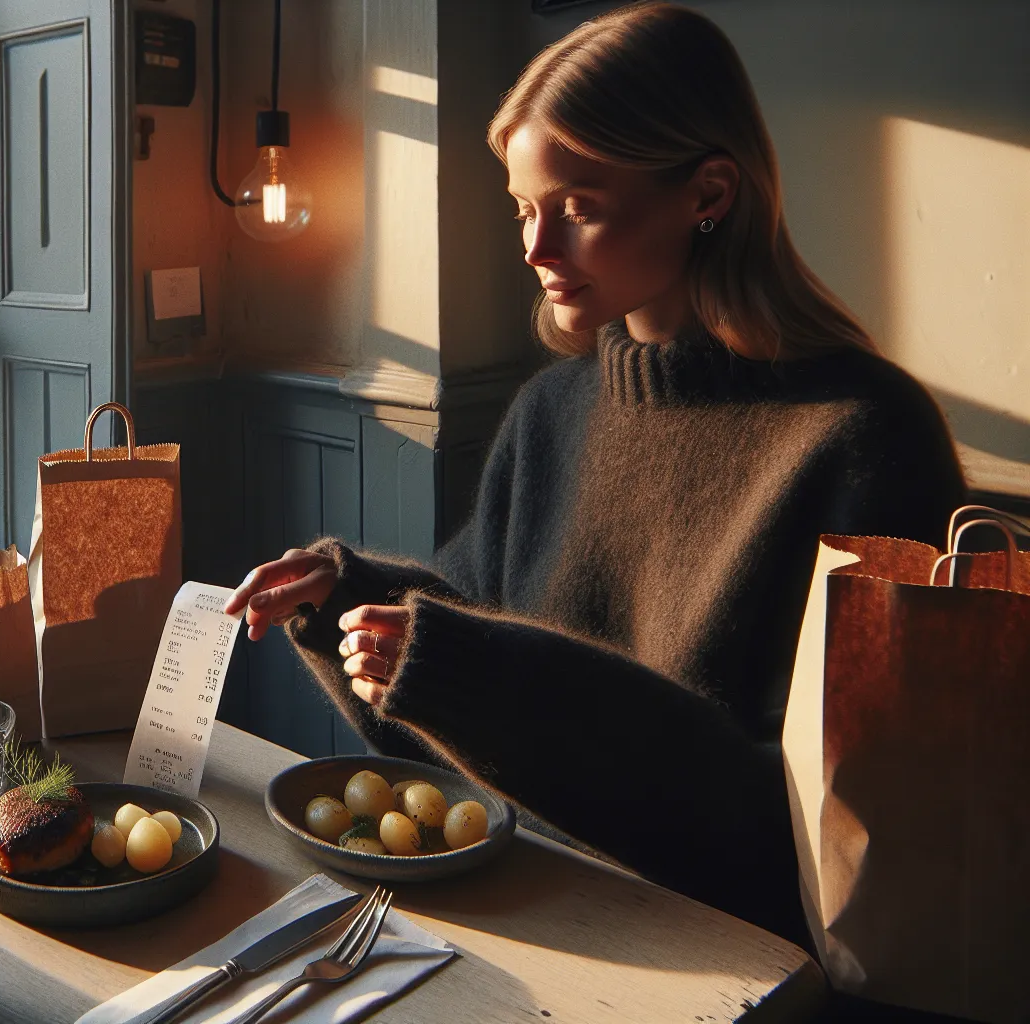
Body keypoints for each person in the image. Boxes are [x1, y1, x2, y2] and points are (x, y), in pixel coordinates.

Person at [223, 2, 966, 948]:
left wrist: (470, 672)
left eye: (578, 206)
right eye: (525, 208)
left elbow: (805, 832)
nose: (535, 249)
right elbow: (474, 661)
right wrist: (349, 604)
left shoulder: (866, 438)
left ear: (709, 192)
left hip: (738, 966)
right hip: (529, 920)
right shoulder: (551, 413)